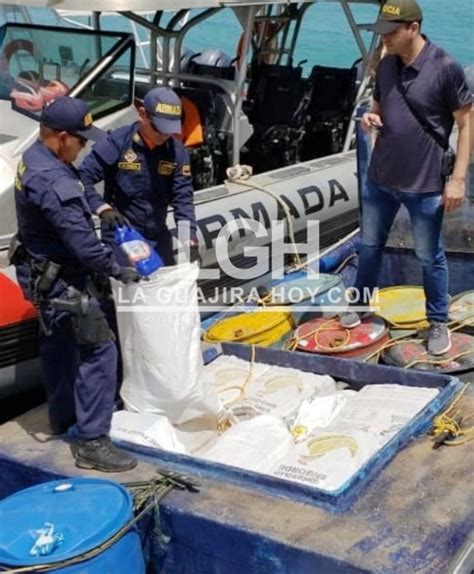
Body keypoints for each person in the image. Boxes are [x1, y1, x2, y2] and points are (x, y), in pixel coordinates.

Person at [12, 96, 140, 472]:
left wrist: (102, 207)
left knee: (58, 344)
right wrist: (119, 269)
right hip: (66, 279)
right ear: (62, 137)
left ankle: (63, 415)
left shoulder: (36, 158)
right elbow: (83, 245)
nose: (84, 148)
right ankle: (92, 442)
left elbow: (77, 185)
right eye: (80, 141)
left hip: (42, 274)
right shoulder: (51, 180)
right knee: (100, 351)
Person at [340, 0, 471, 356]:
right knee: (369, 246)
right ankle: (359, 304)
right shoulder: (385, 66)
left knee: (430, 256)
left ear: (413, 28)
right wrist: (370, 117)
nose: (385, 40)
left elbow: (465, 122)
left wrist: (457, 179)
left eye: (391, 32)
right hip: (381, 177)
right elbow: (377, 108)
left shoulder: (445, 67)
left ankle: (438, 321)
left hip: (426, 183)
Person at [79, 86, 199, 266]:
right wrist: (101, 208)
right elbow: (81, 178)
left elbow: (183, 199)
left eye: (169, 130)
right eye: (159, 129)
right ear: (143, 114)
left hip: (157, 233)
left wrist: (188, 237)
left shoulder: (177, 153)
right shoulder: (117, 143)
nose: (164, 135)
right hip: (122, 233)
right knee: (128, 289)